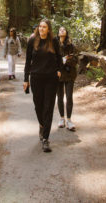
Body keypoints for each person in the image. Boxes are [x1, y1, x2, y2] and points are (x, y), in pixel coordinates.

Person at [24, 19, 62, 152]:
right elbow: (28, 60)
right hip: (36, 78)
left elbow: (59, 57)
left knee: (48, 108)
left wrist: (59, 70)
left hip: (51, 79)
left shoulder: (54, 41)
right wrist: (26, 79)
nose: (41, 29)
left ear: (49, 29)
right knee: (38, 106)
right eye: (40, 26)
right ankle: (42, 124)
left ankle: (45, 138)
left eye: (44, 27)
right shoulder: (32, 40)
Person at [56, 26, 77, 131]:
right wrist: (62, 60)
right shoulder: (55, 45)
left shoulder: (71, 45)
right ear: (58, 33)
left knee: (69, 97)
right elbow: (52, 59)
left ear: (66, 32)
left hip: (69, 74)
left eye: (64, 29)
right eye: (60, 30)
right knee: (60, 97)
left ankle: (69, 119)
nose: (62, 31)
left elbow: (75, 59)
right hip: (58, 75)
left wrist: (65, 60)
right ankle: (61, 118)